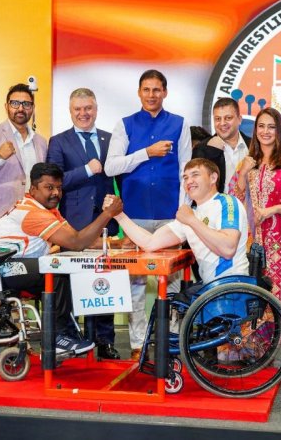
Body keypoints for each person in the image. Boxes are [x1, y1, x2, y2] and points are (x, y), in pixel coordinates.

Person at [0, 163, 124, 355]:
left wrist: (118, 243)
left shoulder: (48, 210)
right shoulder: (33, 213)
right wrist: (107, 214)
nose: (56, 193)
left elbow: (77, 238)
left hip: (8, 264)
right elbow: (77, 243)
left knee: (64, 272)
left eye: (59, 188)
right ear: (33, 189)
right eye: (49, 187)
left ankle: (67, 333)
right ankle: (57, 337)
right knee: (55, 273)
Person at [105, 69, 192, 360]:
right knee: (136, 284)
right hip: (135, 216)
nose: (151, 95)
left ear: (165, 92)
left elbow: (186, 171)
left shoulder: (180, 124)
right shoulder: (125, 125)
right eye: (146, 89)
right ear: (139, 92)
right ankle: (137, 343)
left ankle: (172, 340)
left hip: (170, 217)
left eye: (157, 89)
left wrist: (182, 213)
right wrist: (147, 152)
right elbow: (111, 167)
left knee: (174, 283)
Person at [228, 108, 281, 380]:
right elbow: (233, 200)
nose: (265, 132)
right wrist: (243, 174)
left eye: (271, 127)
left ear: (280, 131)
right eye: (261, 126)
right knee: (258, 297)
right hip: (255, 243)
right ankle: (261, 353)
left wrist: (275, 209)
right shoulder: (248, 162)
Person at [46, 88, 120, 360]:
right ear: (70, 111)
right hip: (73, 226)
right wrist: (88, 169)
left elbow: (120, 177)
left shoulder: (111, 139)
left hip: (105, 225)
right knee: (72, 285)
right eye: (78, 109)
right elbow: (54, 182)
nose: (83, 113)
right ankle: (75, 339)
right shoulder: (58, 141)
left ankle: (105, 340)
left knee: (104, 282)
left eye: (88, 108)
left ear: (96, 109)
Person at [106, 157, 248, 299]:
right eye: (185, 178)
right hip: (211, 289)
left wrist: (191, 220)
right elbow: (149, 243)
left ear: (213, 178)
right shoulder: (191, 214)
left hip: (232, 288)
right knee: (171, 302)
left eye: (195, 175)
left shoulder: (227, 202)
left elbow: (228, 249)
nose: (189, 181)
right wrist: (118, 215)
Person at [0, 83, 48, 237]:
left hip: (32, 225)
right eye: (15, 103)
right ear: (6, 106)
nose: (20, 108)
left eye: (26, 104)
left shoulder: (41, 142)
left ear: (33, 108)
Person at [193, 97, 251, 193]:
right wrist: (212, 152)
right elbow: (198, 186)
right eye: (218, 119)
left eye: (228, 118)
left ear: (239, 119)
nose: (222, 123)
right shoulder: (202, 149)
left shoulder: (253, 146)